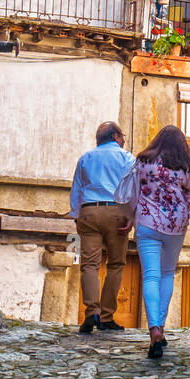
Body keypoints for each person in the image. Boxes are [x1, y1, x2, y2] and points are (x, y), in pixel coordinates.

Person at [125, 125, 190, 359]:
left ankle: (154, 328)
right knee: (167, 275)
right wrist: (183, 213)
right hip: (175, 227)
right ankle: (161, 327)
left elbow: (133, 192)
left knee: (151, 276)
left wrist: (132, 216)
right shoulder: (185, 168)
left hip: (147, 224)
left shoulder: (143, 162)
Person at [69, 121, 135, 334]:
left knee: (89, 265)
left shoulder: (85, 158)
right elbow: (133, 187)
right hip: (117, 211)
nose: (123, 139)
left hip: (89, 211)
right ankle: (107, 317)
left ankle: (91, 312)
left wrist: (76, 216)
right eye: (122, 135)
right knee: (116, 264)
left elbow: (76, 189)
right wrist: (131, 215)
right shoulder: (126, 158)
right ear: (116, 136)